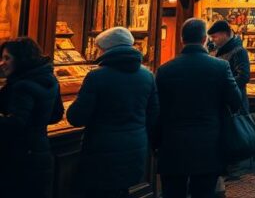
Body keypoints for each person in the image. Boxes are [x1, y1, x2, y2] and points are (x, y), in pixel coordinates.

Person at [67, 27, 159, 198]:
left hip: (102, 151)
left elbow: (76, 117)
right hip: (135, 148)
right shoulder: (147, 75)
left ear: (106, 50)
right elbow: (153, 114)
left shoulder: (97, 77)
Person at [155, 19, 242, 198]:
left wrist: (156, 143)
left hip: (173, 145)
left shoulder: (164, 70)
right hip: (208, 144)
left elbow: (157, 110)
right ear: (204, 39)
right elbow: (235, 101)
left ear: (181, 39)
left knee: (173, 193)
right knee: (204, 192)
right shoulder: (220, 67)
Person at [0, 37, 64, 198]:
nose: (2, 63)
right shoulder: (49, 79)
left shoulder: (22, 85)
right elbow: (56, 114)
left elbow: (16, 123)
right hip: (40, 151)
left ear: (21, 60)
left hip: (19, 157)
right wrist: (36, 122)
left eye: (7, 58)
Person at [208, 20, 250, 113]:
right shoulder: (216, 50)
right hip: (224, 103)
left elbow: (243, 77)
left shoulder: (239, 51)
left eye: (214, 36)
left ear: (225, 34)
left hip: (236, 104)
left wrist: (221, 86)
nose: (212, 39)